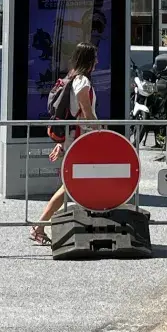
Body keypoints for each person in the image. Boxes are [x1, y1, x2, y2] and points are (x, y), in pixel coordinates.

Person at [32, 42, 99, 246]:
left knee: (79, 183)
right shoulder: (83, 82)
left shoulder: (72, 78)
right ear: (88, 60)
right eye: (94, 58)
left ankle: (42, 226)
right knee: (71, 185)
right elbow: (86, 114)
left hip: (74, 138)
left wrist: (63, 143)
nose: (97, 61)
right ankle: (39, 226)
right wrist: (100, 132)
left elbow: (69, 113)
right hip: (82, 139)